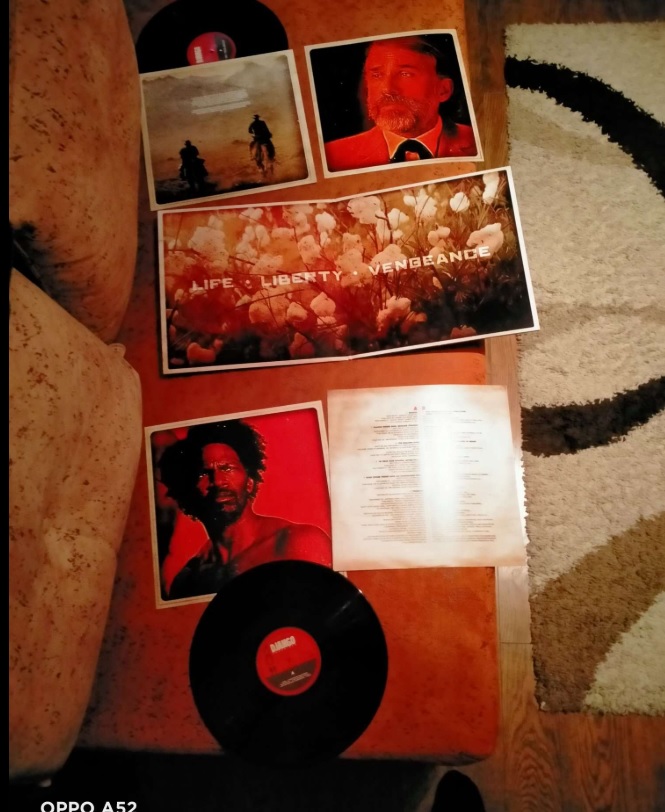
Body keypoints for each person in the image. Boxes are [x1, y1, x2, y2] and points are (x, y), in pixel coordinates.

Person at [157, 420, 332, 600]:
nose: (218, 481)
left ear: (250, 482)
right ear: (188, 494)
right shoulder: (187, 581)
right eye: (203, 473)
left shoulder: (299, 543)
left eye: (227, 468)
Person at [324, 35, 477, 172]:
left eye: (405, 74)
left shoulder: (477, 142)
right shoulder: (334, 158)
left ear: (443, 90)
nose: (387, 89)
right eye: (376, 75)